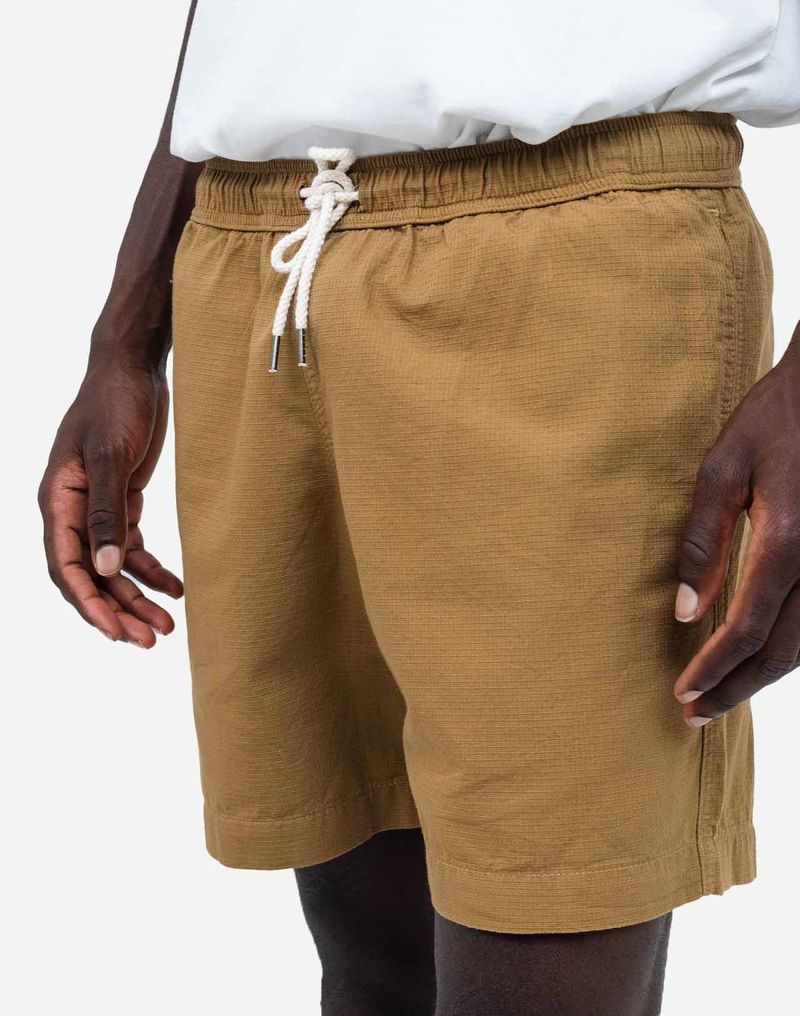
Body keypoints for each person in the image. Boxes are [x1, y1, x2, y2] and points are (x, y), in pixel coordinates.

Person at [38, 2, 800, 1013]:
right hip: (261, 254)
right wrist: (127, 334)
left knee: (550, 913)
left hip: (575, 254)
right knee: (370, 962)